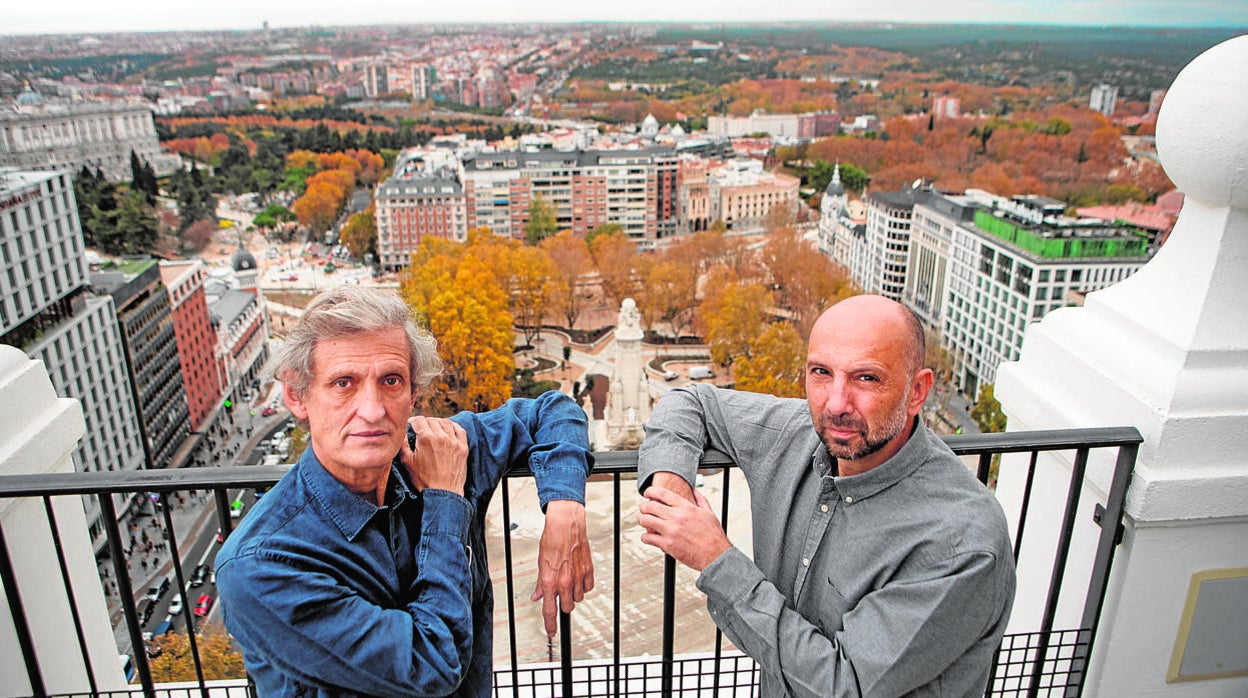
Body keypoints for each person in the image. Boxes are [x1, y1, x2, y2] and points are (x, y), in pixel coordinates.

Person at [216, 287, 593, 697]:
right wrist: (446, 503)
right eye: (344, 383)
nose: (373, 410)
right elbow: (431, 663)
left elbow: (551, 411)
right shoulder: (261, 567)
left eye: (390, 380)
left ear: (414, 393)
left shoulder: (438, 449)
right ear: (297, 395)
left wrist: (564, 508)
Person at [637, 295, 1015, 697]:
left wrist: (715, 558)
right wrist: (671, 484)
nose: (835, 403)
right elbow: (690, 401)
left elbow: (841, 687)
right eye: (821, 372)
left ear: (917, 391)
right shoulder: (796, 431)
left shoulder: (961, 543)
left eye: (865, 378)